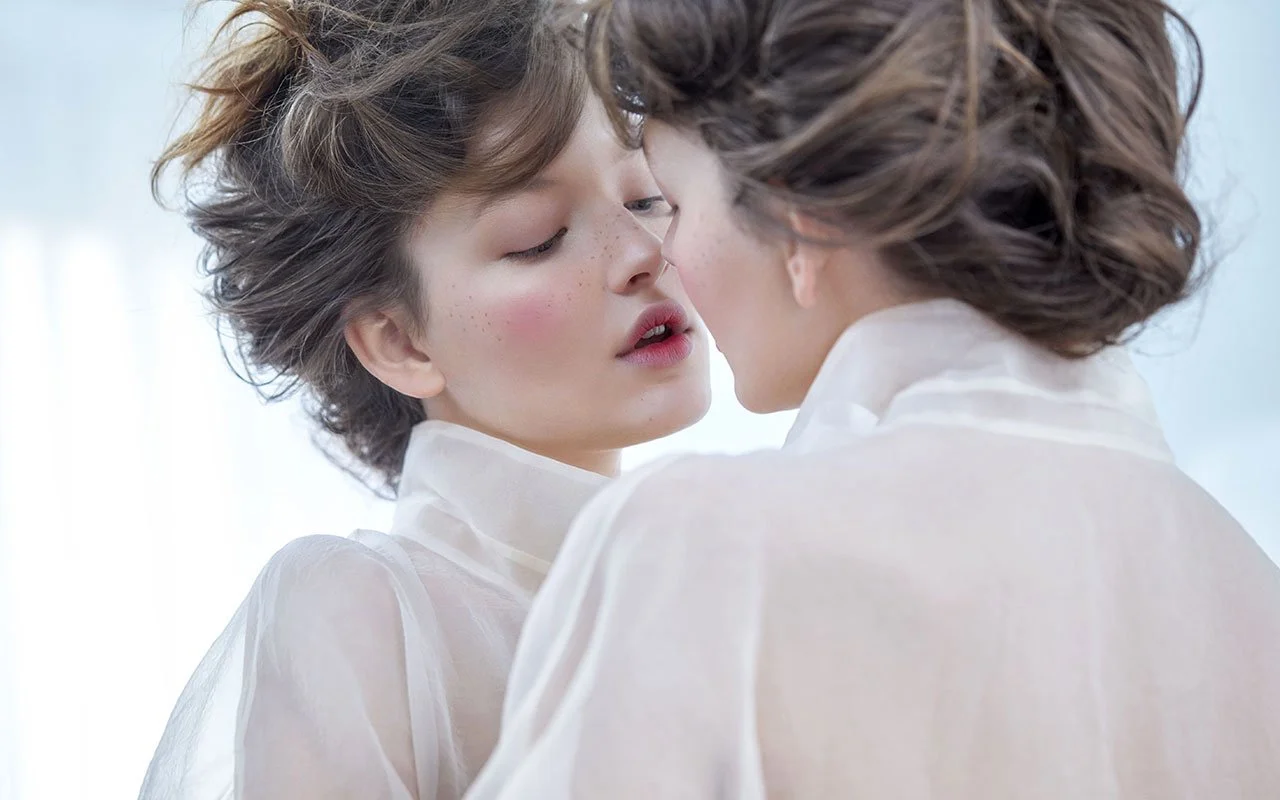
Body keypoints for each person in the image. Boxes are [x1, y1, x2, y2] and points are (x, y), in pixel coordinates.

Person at [466, 0, 1280, 797]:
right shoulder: (1248, 590)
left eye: (671, 204)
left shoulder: (702, 546)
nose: (661, 253)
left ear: (799, 211)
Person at [138, 1, 710, 798]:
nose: (644, 255)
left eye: (646, 197)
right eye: (538, 237)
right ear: (400, 343)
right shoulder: (362, 614)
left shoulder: (718, 583)